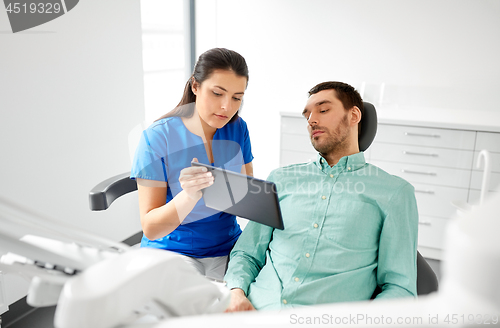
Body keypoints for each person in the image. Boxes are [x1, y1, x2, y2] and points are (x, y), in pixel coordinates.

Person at [224, 81, 418, 311]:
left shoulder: (394, 193)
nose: (312, 120)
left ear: (354, 115)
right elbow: (247, 253)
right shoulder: (280, 179)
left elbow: (399, 288)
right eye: (307, 115)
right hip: (255, 311)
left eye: (323, 110)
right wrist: (236, 293)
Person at [130, 48, 253, 280]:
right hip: (171, 249)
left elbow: (245, 193)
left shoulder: (238, 128)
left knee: (245, 305)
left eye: (237, 97)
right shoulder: (158, 137)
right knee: (192, 307)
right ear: (195, 86)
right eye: (218, 93)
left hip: (227, 246)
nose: (227, 106)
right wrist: (189, 196)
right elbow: (151, 228)